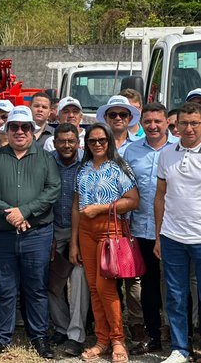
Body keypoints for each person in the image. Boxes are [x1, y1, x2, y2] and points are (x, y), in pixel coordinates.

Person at [0, 105, 60, 359]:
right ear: (7, 130)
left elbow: (53, 189)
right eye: (14, 127)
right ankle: (2, 337)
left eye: (25, 127)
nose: (20, 132)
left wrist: (25, 211)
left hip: (37, 234)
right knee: (4, 288)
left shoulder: (46, 159)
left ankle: (39, 337)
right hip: (2, 235)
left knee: (35, 287)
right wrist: (10, 213)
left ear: (33, 132)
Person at [70, 122, 139, 363]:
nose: (98, 144)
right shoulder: (83, 169)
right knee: (93, 288)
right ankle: (102, 340)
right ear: (86, 144)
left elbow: (132, 200)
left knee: (106, 287)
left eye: (102, 140)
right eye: (92, 141)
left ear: (109, 141)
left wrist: (100, 208)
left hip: (110, 229)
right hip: (86, 232)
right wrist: (74, 243)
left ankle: (118, 339)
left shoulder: (119, 167)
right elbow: (76, 208)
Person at [124, 102, 178, 356]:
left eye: (158, 121)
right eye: (148, 121)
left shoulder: (180, 148)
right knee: (148, 286)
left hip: (174, 230)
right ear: (141, 123)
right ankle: (153, 335)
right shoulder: (131, 151)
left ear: (167, 122)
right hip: (140, 229)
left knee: (176, 287)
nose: (153, 126)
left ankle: (181, 338)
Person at [154, 102, 201, 363]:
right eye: (184, 123)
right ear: (176, 125)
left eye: (195, 123)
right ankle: (180, 349)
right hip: (172, 237)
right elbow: (160, 197)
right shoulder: (167, 154)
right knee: (175, 296)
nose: (189, 128)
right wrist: (159, 236)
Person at [97, 94, 144, 341]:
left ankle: (136, 324)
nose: (117, 118)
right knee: (107, 273)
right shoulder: (97, 144)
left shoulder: (140, 145)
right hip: (105, 222)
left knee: (132, 276)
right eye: (113, 114)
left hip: (135, 221)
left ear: (129, 118)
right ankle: (109, 327)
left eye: (122, 114)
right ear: (105, 118)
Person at [48, 123, 89, 357]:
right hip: (52, 229)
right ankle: (62, 328)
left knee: (79, 280)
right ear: (54, 143)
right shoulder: (46, 161)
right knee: (52, 281)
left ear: (77, 142)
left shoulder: (86, 162)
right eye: (62, 141)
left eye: (71, 141)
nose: (66, 145)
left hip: (80, 230)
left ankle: (76, 335)